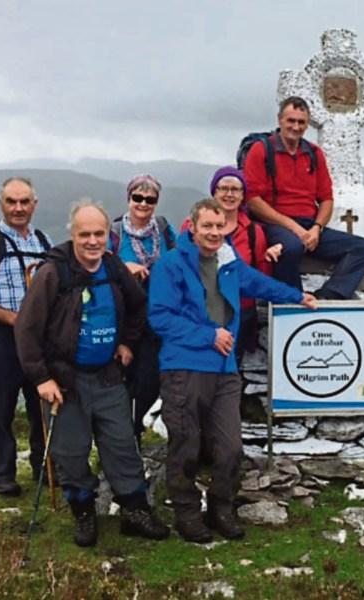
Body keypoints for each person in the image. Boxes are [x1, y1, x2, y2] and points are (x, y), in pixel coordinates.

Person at [149, 198, 317, 543]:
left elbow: (257, 283)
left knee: (230, 447)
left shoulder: (227, 259)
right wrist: (208, 336)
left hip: (225, 368)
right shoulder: (171, 264)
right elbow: (160, 317)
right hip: (184, 367)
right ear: (192, 227)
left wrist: (297, 297)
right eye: (207, 226)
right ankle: (187, 514)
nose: (214, 232)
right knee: (186, 444)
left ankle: (220, 508)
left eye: (219, 226)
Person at [14, 200, 169, 547]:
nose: (93, 241)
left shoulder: (113, 267)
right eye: (85, 234)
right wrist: (41, 378)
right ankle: (83, 511)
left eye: (99, 233)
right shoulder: (53, 273)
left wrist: (127, 342)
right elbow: (26, 328)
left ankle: (134, 510)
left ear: (106, 235)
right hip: (64, 380)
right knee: (70, 450)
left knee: (121, 444)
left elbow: (138, 305)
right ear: (72, 234)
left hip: (108, 375)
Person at [243, 95, 364, 299]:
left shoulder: (314, 153)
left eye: (301, 122)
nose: (296, 127)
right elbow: (253, 200)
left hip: (309, 226)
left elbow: (326, 198)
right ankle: (293, 299)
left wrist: (317, 228)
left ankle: (327, 297)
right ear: (280, 120)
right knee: (291, 247)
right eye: (291, 121)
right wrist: (293, 227)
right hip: (274, 224)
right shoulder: (261, 150)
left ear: (307, 124)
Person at [0, 177, 51, 496]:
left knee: (41, 402)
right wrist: (15, 319)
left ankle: (44, 467)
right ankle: (1, 474)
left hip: (38, 336)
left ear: (34, 204)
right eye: (11, 201)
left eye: (24, 202)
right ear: (1, 204)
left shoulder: (43, 241)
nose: (18, 208)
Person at [181, 166, 282, 355]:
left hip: (240, 315)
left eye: (235, 189)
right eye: (223, 188)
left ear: (243, 195)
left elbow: (260, 275)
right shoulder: (190, 226)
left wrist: (269, 257)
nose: (229, 194)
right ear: (214, 192)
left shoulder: (253, 232)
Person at [109, 174, 177, 443]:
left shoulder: (164, 229)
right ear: (129, 198)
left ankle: (136, 430)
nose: (143, 204)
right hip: (122, 316)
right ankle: (122, 440)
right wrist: (124, 267)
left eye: (150, 199)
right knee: (121, 379)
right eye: (137, 197)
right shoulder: (114, 232)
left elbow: (181, 256)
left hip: (157, 316)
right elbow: (98, 263)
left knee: (149, 379)